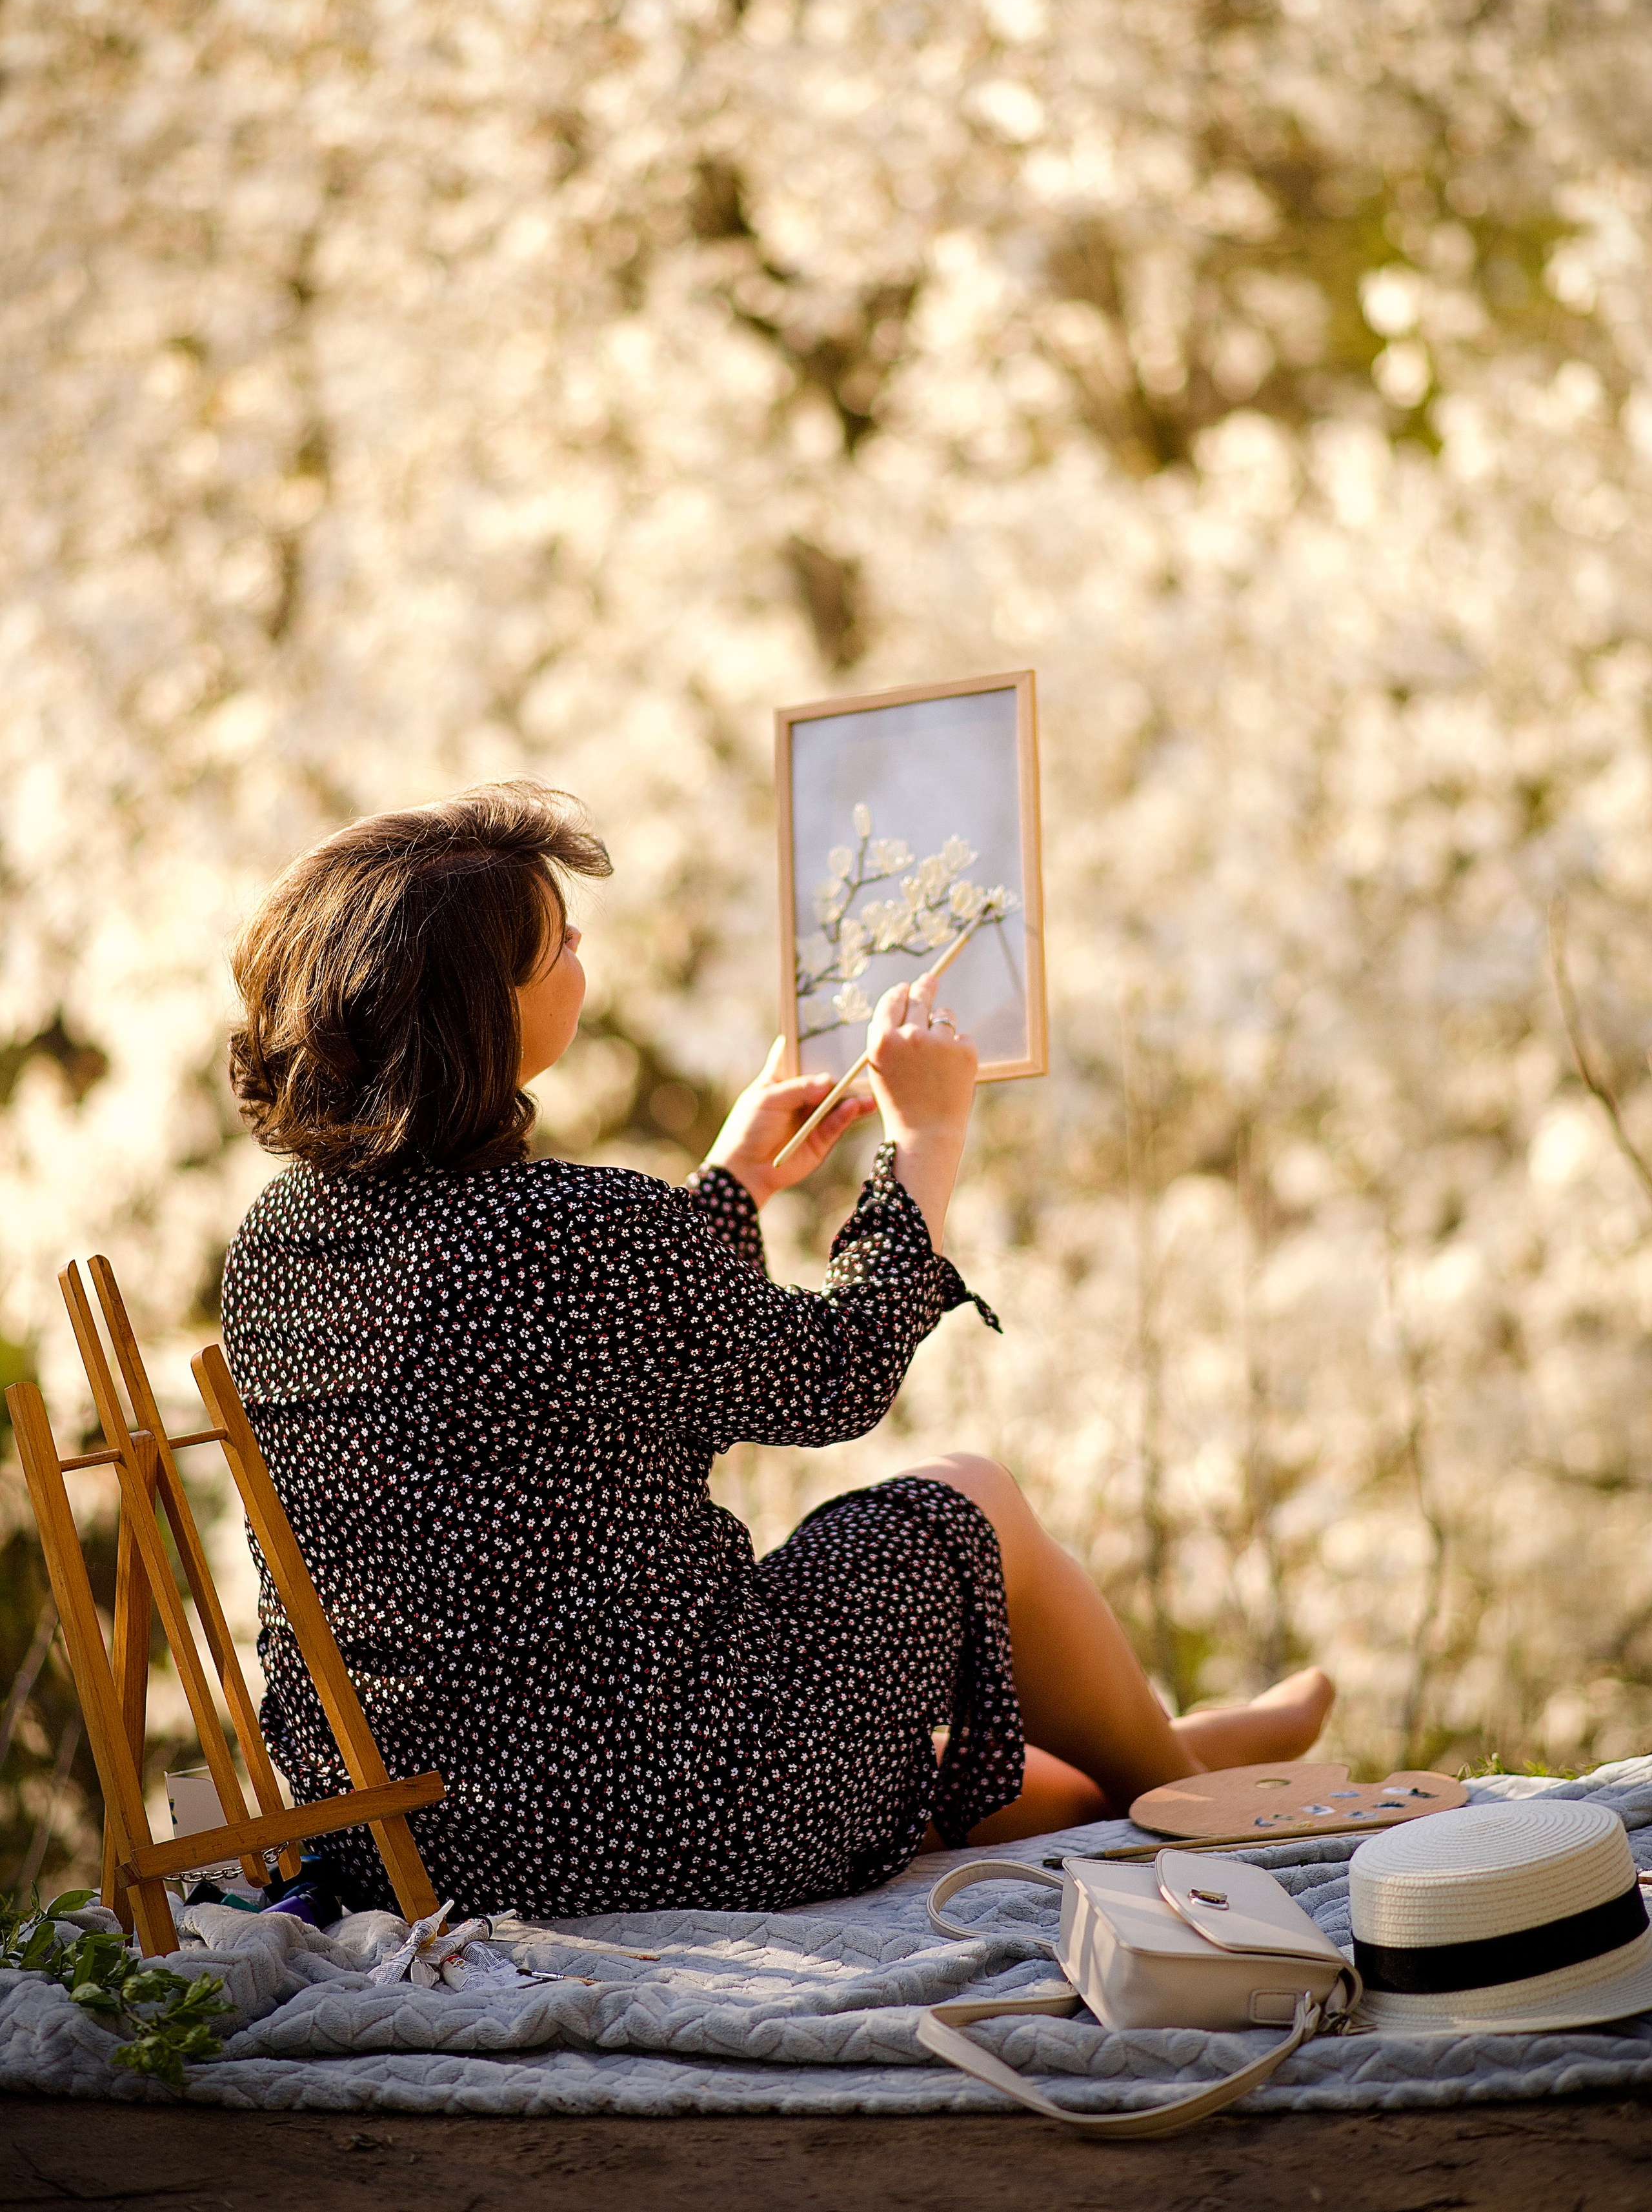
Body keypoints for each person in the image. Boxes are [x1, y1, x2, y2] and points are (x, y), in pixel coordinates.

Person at [221, 779, 1332, 1918]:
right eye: (558, 945)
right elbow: (837, 1371)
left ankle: (1166, 1752)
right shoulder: (577, 1228)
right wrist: (929, 1139)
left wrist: (734, 1182)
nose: (579, 955)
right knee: (974, 1497)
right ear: (478, 1009)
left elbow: (569, 1350)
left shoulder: (273, 1244)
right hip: (673, 1809)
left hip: (415, 1833)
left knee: (885, 1727)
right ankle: (1188, 1786)